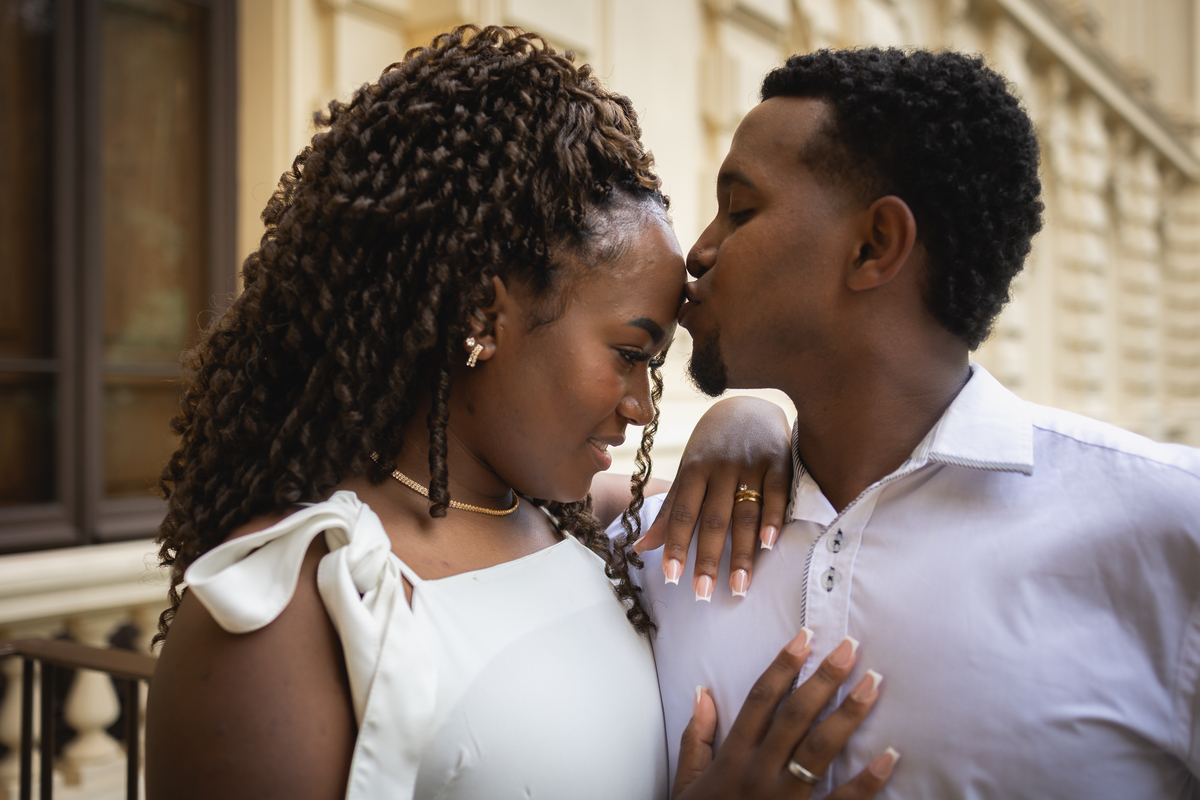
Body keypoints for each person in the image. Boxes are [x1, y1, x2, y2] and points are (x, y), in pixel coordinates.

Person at [144, 28, 897, 800]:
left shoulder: (576, 522)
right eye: (630, 354)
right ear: (483, 310)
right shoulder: (290, 606)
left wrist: (749, 421)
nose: (642, 409)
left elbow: (691, 496)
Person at [626, 47, 1200, 797]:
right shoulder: (663, 548)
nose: (699, 251)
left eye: (740, 208)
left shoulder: (1168, 530)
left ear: (873, 246)